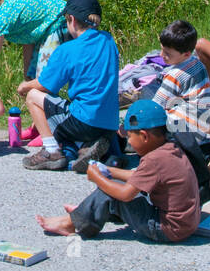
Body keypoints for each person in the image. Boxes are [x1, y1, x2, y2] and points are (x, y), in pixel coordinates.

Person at [35, 99, 201, 243]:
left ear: (144, 136)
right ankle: (86, 210)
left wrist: (97, 177)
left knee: (110, 194)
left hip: (167, 229)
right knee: (117, 184)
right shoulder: (169, 149)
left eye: (129, 137)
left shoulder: (154, 159)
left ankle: (71, 223)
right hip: (186, 224)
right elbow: (138, 177)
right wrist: (109, 171)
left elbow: (125, 194)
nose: (129, 141)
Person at [18, 0, 121, 173]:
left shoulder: (67, 49)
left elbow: (46, 86)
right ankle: (85, 147)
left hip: (84, 121)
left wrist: (25, 86)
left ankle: (51, 151)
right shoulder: (109, 41)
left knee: (34, 97)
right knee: (71, 117)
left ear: (72, 20)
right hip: (109, 123)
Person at [151, 20, 210, 134]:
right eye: (162, 49)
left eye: (167, 53)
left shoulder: (174, 75)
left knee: (152, 111)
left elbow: (156, 105)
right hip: (206, 113)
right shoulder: (197, 62)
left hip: (187, 121)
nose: (161, 55)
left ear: (186, 54)